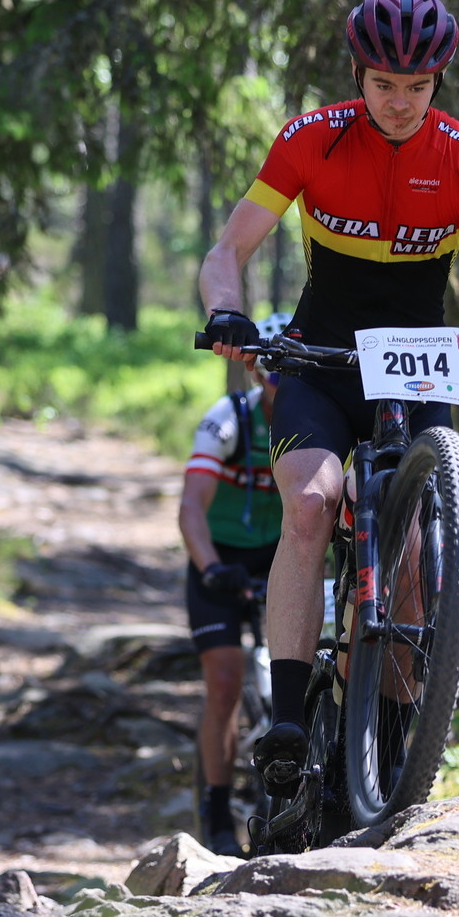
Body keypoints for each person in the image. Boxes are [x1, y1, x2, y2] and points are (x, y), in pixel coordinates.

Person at [196, 0, 459, 795]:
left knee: (412, 551)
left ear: (439, 81)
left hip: (415, 365)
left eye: (417, 86)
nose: (400, 103)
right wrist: (228, 311)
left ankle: (394, 747)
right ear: (357, 74)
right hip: (321, 360)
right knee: (311, 503)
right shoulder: (311, 140)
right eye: (383, 84)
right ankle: (289, 718)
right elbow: (227, 250)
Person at [179, 312, 290, 856]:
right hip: (220, 559)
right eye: (273, 375)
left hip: (282, 559)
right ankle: (217, 809)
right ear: (255, 373)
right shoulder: (228, 419)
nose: (282, 387)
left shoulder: (321, 423)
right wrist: (209, 568)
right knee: (224, 684)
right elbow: (191, 508)